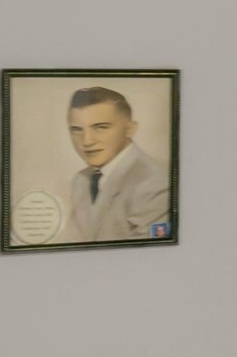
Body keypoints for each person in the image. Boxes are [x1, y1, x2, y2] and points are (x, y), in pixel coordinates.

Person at [55, 85, 171, 242]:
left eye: (100, 128)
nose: (87, 141)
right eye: (77, 130)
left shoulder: (153, 184)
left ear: (130, 129)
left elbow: (150, 252)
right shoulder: (81, 180)